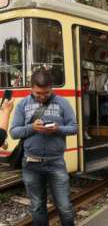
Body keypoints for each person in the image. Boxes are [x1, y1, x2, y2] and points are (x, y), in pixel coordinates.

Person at [10, 70, 78, 226]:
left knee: (64, 206)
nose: (42, 96)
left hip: (56, 163)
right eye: (38, 93)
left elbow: (74, 128)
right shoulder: (23, 104)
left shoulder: (62, 103)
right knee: (37, 207)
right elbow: (14, 132)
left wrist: (57, 129)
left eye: (46, 93)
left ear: (52, 88)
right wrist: (32, 128)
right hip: (31, 163)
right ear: (31, 89)